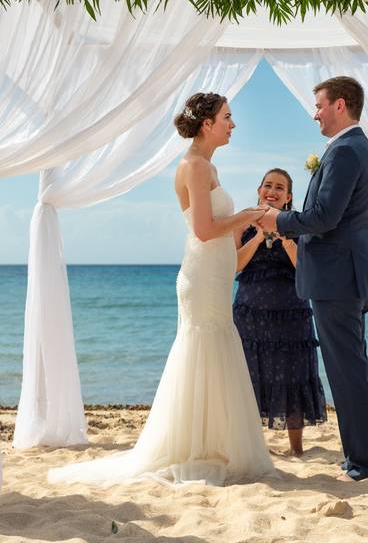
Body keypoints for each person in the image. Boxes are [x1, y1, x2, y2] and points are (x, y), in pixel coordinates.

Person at [49, 93, 276, 486]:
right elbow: (204, 231)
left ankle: (209, 443)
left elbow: (217, 229)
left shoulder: (208, 165)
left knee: (216, 349)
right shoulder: (193, 166)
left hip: (216, 274)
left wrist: (247, 228)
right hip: (202, 277)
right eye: (227, 117)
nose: (233, 124)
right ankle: (192, 446)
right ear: (207, 124)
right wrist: (246, 216)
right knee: (202, 348)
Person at [258, 76, 368, 482]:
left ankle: (362, 463)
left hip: (337, 278)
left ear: (340, 105)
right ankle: (357, 457)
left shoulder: (346, 151)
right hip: (343, 275)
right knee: (351, 369)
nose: (314, 114)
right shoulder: (349, 148)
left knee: (347, 371)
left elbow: (324, 218)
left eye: (319, 106)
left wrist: (279, 220)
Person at [234, 169, 328, 456]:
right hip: (250, 315)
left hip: (290, 314)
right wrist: (260, 235)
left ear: (289, 197)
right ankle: (253, 446)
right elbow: (236, 264)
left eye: (279, 188)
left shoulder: (300, 225)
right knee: (249, 376)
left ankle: (296, 448)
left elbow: (305, 268)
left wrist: (284, 237)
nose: (272, 191)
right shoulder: (243, 222)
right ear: (259, 190)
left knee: (292, 375)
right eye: (268, 185)